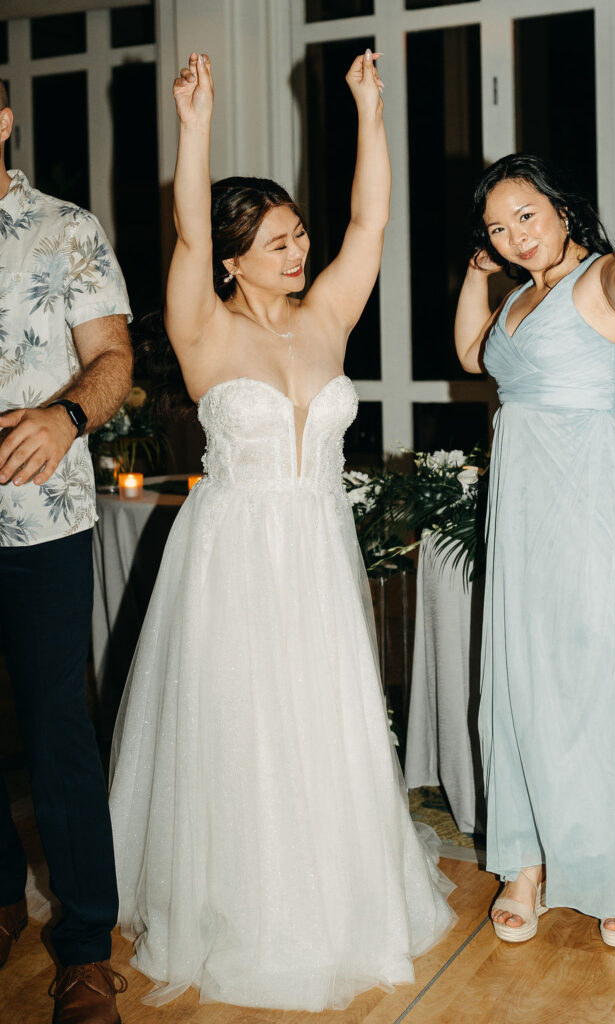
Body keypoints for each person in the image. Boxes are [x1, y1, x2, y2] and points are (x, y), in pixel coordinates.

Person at [109, 50, 454, 1011]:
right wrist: (195, 126)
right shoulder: (202, 329)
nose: (297, 252)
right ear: (229, 258)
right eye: (272, 242)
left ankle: (341, 898)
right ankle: (249, 914)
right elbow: (181, 238)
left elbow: (372, 221)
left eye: (297, 234)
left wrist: (369, 110)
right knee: (245, 735)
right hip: (233, 558)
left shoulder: (328, 319)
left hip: (315, 552)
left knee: (326, 726)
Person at [454, 153, 615, 948]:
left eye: (525, 215)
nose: (516, 234)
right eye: (496, 227)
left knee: (597, 674)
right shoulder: (521, 293)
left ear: (558, 207)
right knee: (522, 673)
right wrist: (478, 274)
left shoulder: (595, 277)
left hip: (592, 496)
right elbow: (471, 357)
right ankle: (526, 862)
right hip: (524, 504)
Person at [0, 81, 133, 1021]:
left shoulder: (66, 228)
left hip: (41, 517)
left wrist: (66, 413)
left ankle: (86, 944)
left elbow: (116, 357)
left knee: (56, 728)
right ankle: (2, 894)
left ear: (4, 118)